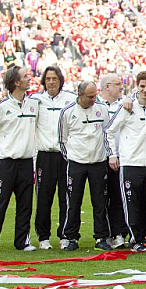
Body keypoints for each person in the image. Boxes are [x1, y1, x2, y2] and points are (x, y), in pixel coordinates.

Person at [105, 71, 146, 253]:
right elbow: (109, 130)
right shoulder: (127, 107)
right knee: (132, 204)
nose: (145, 90)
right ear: (137, 86)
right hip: (130, 163)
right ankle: (135, 240)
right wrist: (113, 154)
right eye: (142, 86)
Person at [0, 66, 40, 253]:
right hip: (6, 162)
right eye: (25, 76)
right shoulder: (1, 107)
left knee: (25, 204)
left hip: (26, 162)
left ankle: (22, 241)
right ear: (16, 82)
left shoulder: (34, 104)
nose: (29, 78)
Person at [58, 81, 110, 252]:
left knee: (100, 201)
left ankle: (101, 237)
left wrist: (106, 155)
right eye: (90, 96)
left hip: (98, 162)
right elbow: (62, 139)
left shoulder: (101, 109)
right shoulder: (67, 112)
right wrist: (72, 158)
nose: (94, 99)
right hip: (76, 163)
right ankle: (71, 237)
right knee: (73, 201)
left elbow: (107, 133)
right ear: (79, 95)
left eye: (95, 95)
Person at [30, 65, 76, 250]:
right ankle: (43, 237)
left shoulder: (71, 99)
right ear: (44, 81)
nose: (51, 82)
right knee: (43, 196)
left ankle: (65, 235)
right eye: (48, 79)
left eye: (54, 79)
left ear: (60, 80)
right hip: (45, 155)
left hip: (65, 155)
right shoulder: (35, 100)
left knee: (66, 196)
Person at [98, 73, 128, 249]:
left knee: (118, 196)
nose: (121, 87)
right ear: (107, 86)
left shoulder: (124, 105)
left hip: (118, 156)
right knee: (100, 197)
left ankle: (118, 232)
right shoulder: (96, 105)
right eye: (117, 84)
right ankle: (103, 233)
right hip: (99, 157)